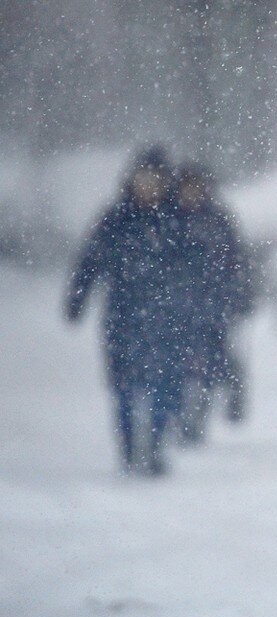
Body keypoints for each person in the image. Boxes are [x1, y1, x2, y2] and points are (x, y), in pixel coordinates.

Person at [65, 145, 185, 476]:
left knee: (164, 384)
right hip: (122, 317)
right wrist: (77, 298)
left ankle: (157, 443)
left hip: (167, 320)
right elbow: (89, 262)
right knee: (123, 387)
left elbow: (201, 266)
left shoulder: (177, 221)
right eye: (142, 179)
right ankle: (131, 445)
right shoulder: (115, 219)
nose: (148, 187)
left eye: (154, 180)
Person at [171, 162, 253, 444]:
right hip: (177, 309)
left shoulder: (218, 220)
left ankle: (199, 415)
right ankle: (183, 416)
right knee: (180, 365)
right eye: (187, 186)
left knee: (209, 364)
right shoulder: (170, 219)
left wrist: (240, 296)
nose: (192, 192)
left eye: (197, 187)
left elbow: (237, 262)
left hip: (213, 307)